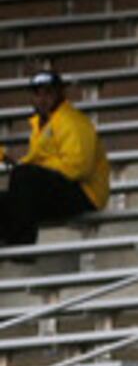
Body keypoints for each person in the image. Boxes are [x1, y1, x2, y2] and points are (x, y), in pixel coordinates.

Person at [0, 70, 107, 249]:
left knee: (23, 177)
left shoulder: (73, 122)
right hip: (62, 187)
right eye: (37, 94)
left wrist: (34, 168)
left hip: (85, 193)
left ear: (60, 94)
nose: (42, 99)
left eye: (48, 93)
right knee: (6, 199)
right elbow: (39, 159)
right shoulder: (42, 123)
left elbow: (79, 166)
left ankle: (21, 247)